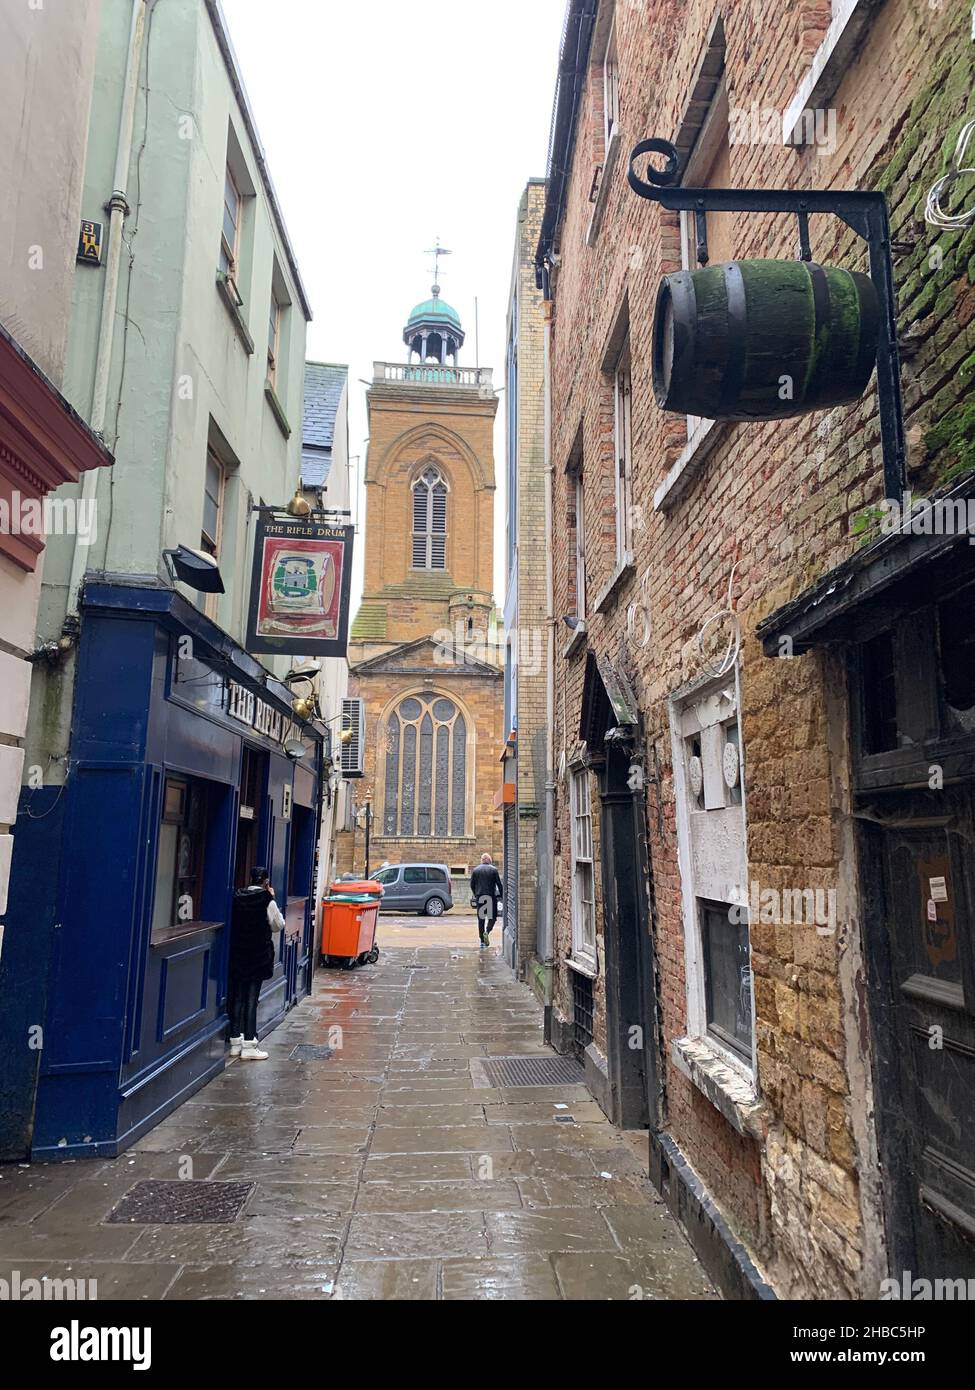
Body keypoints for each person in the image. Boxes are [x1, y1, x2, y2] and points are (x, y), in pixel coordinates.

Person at [227, 866, 285, 1061]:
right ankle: (250, 1043)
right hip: (258, 955)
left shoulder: (237, 896)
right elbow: (278, 925)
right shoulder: (267, 900)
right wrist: (273, 898)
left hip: (238, 953)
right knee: (252, 998)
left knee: (237, 996)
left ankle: (235, 1041)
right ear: (265, 881)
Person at [470, 853, 503, 949]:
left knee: (481, 920)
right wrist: (502, 896)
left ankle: (482, 941)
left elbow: (472, 885)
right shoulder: (494, 870)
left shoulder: (475, 870)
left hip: (480, 897)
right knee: (492, 918)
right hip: (490, 897)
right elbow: (499, 885)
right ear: (489, 860)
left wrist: (476, 894)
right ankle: (487, 932)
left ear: (482, 860)